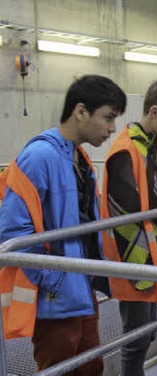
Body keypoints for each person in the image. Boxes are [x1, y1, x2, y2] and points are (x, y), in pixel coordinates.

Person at [0, 75, 126, 374]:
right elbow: (12, 231)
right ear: (80, 111)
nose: (112, 128)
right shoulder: (39, 157)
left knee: (90, 366)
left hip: (82, 287)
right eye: (108, 117)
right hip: (56, 296)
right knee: (59, 367)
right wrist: (52, 278)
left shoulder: (79, 159)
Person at [100, 78, 157, 376]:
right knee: (136, 338)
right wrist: (143, 270)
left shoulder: (151, 146)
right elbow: (124, 220)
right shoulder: (126, 151)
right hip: (136, 264)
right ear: (154, 111)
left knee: (147, 333)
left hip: (151, 260)